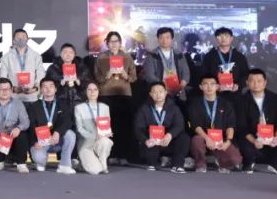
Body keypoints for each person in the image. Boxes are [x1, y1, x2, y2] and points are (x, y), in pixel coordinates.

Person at [235, 68, 277, 176]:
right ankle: (248, 162)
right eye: (252, 81)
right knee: (241, 139)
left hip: (272, 136)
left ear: (265, 82)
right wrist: (254, 141)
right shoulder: (241, 101)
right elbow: (241, 126)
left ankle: (276, 164)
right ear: (247, 83)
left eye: (259, 81)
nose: (256, 84)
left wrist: (276, 137)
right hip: (252, 136)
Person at [94, 31, 137, 164]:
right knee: (107, 127)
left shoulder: (127, 57)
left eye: (116, 41)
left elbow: (134, 77)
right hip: (106, 94)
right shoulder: (101, 58)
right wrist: (107, 75)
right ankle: (109, 155)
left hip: (124, 94)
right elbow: (96, 77)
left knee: (124, 126)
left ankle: (123, 155)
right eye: (111, 41)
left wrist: (126, 76)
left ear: (120, 43)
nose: (113, 44)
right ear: (107, 43)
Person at [187, 75, 241, 173]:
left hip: (221, 139)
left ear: (217, 86)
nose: (209, 87)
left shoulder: (226, 104)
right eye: (205, 84)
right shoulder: (194, 103)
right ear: (201, 87)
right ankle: (200, 164)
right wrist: (207, 138)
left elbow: (231, 125)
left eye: (212, 84)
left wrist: (228, 141)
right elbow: (195, 125)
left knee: (236, 159)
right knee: (196, 140)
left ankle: (221, 163)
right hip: (203, 137)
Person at [133, 81, 190, 173]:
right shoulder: (144, 108)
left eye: (160, 91)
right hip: (152, 141)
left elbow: (179, 124)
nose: (158, 94)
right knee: (148, 148)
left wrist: (169, 135)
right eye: (154, 92)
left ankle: (177, 165)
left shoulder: (174, 108)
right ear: (150, 94)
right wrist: (145, 140)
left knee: (184, 137)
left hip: (168, 140)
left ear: (165, 93)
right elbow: (138, 128)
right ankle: (152, 163)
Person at [27, 77, 76, 174]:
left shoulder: (63, 105)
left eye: (51, 86)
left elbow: (67, 121)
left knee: (70, 134)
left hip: (57, 140)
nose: (48, 89)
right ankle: (42, 161)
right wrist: (34, 142)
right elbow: (31, 126)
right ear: (41, 90)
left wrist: (57, 132)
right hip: (41, 142)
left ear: (55, 89)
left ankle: (64, 165)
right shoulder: (33, 106)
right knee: (39, 158)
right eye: (45, 87)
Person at [0, 78, 31, 173]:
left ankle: (21, 163)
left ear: (12, 90)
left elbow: (26, 121)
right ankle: (1, 159)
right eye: (1, 89)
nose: (4, 92)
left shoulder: (18, 103)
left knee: (23, 135)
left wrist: (18, 128)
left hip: (14, 136)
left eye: (7, 89)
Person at [74, 81, 113, 175]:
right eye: (89, 90)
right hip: (86, 144)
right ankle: (80, 164)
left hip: (100, 141)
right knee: (95, 170)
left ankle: (103, 161)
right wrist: (94, 136)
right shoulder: (79, 108)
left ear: (98, 91)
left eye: (95, 89)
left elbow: (107, 125)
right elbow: (79, 129)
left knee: (106, 142)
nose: (92, 92)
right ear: (85, 92)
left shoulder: (105, 107)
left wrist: (107, 133)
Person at [142, 27, 190, 103]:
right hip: (159, 94)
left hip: (179, 92)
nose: (164, 40)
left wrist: (181, 86)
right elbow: (149, 76)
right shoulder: (151, 56)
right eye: (161, 38)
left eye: (167, 37)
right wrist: (164, 88)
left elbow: (186, 73)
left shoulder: (179, 55)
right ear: (158, 39)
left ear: (172, 39)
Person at [202, 27, 250, 103]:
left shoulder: (239, 57)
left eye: (226, 36)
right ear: (216, 39)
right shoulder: (209, 57)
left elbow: (246, 75)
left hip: (235, 95)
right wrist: (215, 86)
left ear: (231, 38)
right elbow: (203, 75)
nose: (223, 38)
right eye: (220, 36)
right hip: (215, 95)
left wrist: (239, 85)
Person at [0, 28, 45, 103]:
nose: (21, 39)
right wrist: (13, 89)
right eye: (18, 37)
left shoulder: (36, 56)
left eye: (23, 37)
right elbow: (3, 77)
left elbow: (40, 74)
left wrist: (35, 88)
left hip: (32, 97)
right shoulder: (6, 57)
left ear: (27, 39)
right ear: (14, 40)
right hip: (13, 97)